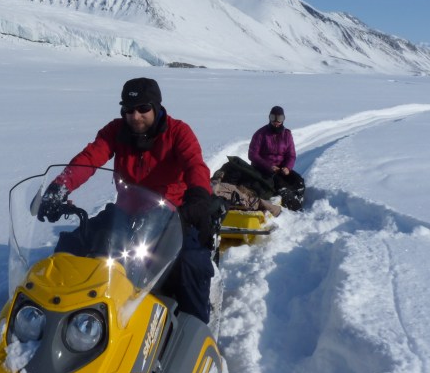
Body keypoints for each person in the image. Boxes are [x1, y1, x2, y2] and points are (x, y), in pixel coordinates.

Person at [36, 77, 216, 323]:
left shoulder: (178, 132)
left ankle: (197, 324)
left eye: (143, 108)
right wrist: (60, 186)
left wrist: (199, 197)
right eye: (129, 110)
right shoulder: (116, 131)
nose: (136, 116)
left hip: (173, 215)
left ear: (156, 107)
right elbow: (90, 158)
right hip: (127, 212)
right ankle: (54, 312)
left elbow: (195, 164)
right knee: (74, 245)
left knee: (191, 263)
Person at [248, 106, 305, 211]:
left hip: (281, 169)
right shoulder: (260, 134)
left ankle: (298, 202)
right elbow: (252, 155)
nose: (276, 122)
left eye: (279, 118)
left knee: (299, 182)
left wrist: (287, 167)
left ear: (283, 119)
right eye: (273, 117)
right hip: (264, 170)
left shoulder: (287, 134)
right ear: (269, 118)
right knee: (281, 186)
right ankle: (293, 210)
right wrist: (268, 166)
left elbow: (291, 155)